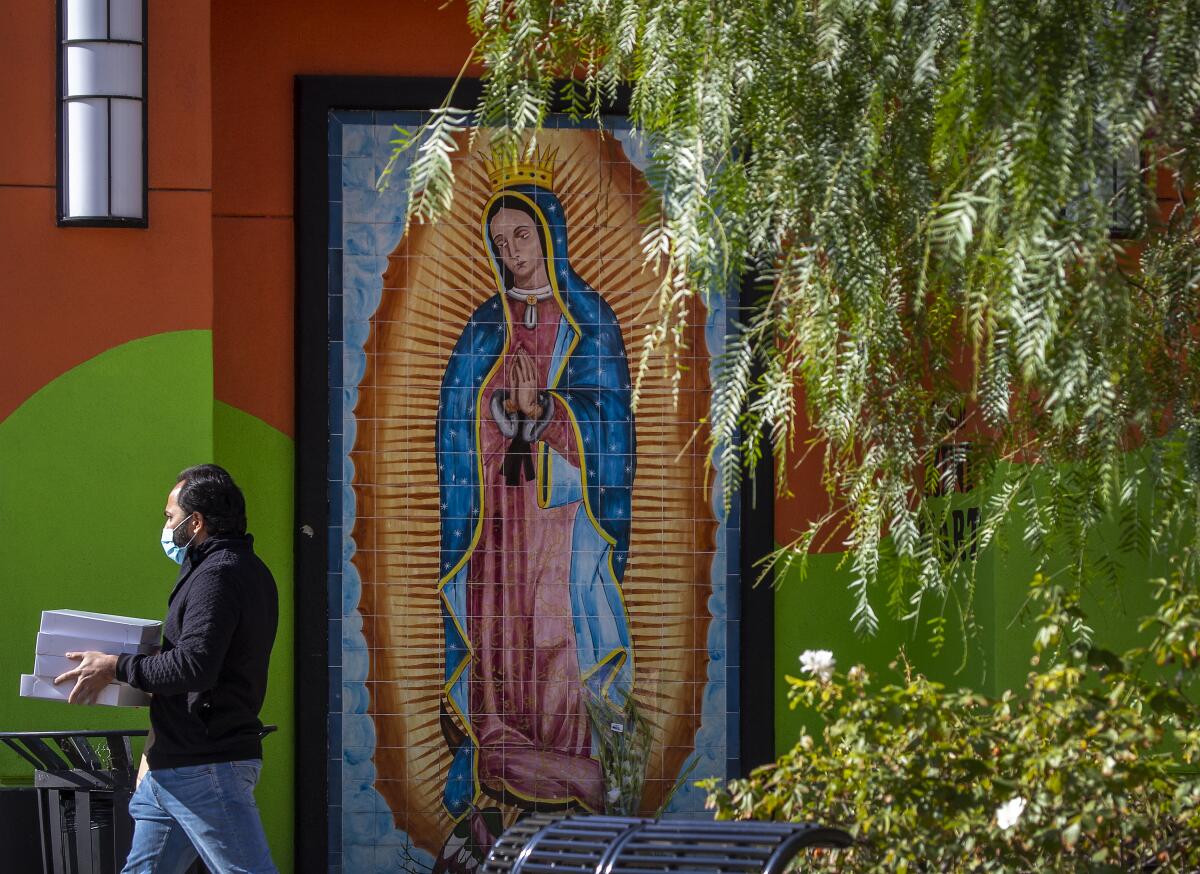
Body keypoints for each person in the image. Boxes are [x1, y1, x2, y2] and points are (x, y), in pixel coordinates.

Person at [433, 152, 638, 872]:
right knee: (500, 646)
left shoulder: (590, 325)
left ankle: (573, 787)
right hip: (497, 519)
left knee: (558, 645)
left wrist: (546, 411)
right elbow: (455, 423)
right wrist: (497, 412)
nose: (510, 251)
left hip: (563, 520)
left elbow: (612, 426)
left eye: (521, 235)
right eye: (500, 241)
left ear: (549, 237)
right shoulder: (484, 328)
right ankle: (502, 802)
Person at [55, 464, 279, 873]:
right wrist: (153, 756)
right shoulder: (231, 569)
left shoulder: (220, 576)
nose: (166, 525)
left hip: (204, 765)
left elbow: (194, 667)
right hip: (174, 767)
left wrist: (116, 666)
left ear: (195, 523)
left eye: (169, 516)